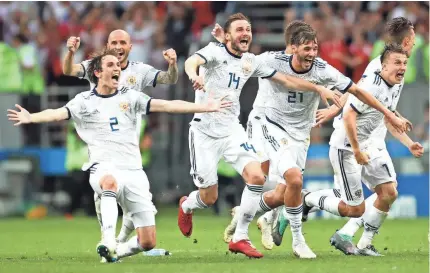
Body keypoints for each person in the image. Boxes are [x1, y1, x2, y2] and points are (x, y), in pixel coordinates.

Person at [7, 50, 232, 263]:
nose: (117, 69)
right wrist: (31, 117)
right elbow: (56, 113)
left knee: (148, 241)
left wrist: (204, 108)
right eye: (111, 65)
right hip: (102, 165)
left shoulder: (130, 97)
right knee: (109, 182)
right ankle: (107, 239)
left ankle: (115, 250)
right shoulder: (84, 101)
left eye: (118, 66)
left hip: (134, 171)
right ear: (97, 73)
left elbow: (167, 105)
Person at [213, 20, 409, 258]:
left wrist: (389, 114)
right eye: (307, 49)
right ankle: (297, 241)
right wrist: (222, 44)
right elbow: (240, 60)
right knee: (292, 180)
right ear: (292, 48)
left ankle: (246, 214)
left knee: (282, 193)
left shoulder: (322, 69)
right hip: (272, 126)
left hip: (300, 133)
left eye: (315, 49)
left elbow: (356, 91)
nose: (312, 54)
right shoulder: (271, 60)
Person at [177, 13, 343, 259]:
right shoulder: (213, 51)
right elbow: (191, 61)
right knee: (208, 197)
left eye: (249, 29)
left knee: (256, 176)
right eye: (240, 29)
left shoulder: (251, 61)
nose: (246, 33)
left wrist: (318, 88)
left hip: (233, 129)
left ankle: (240, 237)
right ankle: (187, 205)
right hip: (204, 131)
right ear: (228, 34)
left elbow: (287, 80)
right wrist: (195, 76)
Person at [305, 17, 417, 256]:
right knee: (351, 205)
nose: (416, 41)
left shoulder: (398, 67)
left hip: (373, 133)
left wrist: (404, 134)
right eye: (414, 37)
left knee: (388, 192)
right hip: (360, 138)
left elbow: (370, 98)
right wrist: (337, 111)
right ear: (408, 39)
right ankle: (308, 202)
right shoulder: (380, 68)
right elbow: (358, 93)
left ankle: (360, 241)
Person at [62, 29, 178, 250]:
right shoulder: (96, 66)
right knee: (108, 186)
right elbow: (68, 69)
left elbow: (169, 79)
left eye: (122, 42)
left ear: (130, 47)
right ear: (107, 45)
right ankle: (111, 240)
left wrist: (172, 65)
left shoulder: (140, 71)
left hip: (131, 140)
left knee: (130, 195)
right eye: (113, 42)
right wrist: (70, 53)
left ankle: (119, 242)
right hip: (105, 136)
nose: (118, 46)